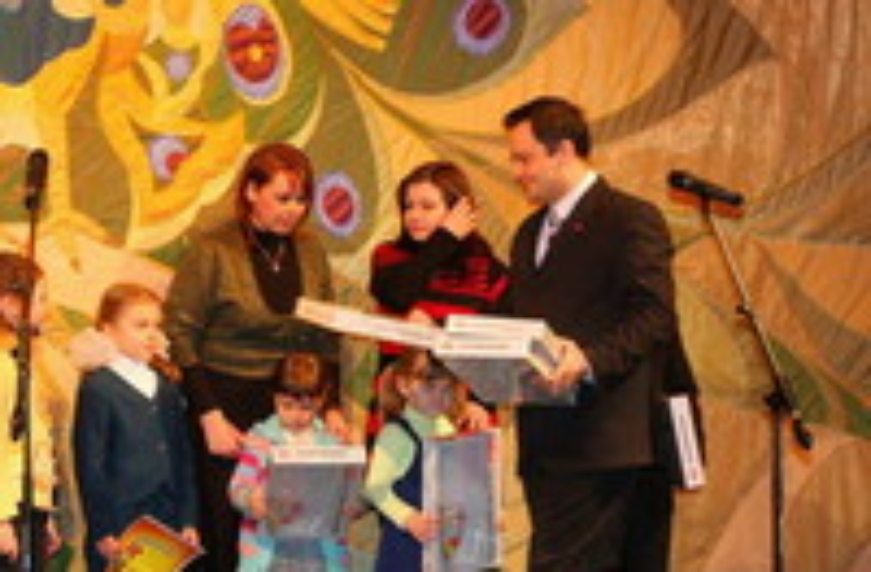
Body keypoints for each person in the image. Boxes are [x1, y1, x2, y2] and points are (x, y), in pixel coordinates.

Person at [501, 96, 696, 571]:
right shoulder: (527, 234)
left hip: (610, 443)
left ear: (563, 150)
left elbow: (655, 316)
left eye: (524, 158)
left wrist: (587, 360)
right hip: (548, 443)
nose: (516, 171)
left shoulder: (629, 218)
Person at [164, 142, 344, 571]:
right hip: (225, 406)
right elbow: (180, 332)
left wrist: (332, 406)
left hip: (291, 407)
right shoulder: (212, 249)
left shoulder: (311, 250)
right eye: (283, 198)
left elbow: (326, 334)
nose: (294, 210)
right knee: (228, 534)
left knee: (292, 533)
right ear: (250, 191)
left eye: (301, 200)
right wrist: (209, 415)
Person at [368, 160, 509, 440]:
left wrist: (481, 403)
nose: (414, 215)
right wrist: (444, 240)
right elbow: (396, 296)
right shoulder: (389, 258)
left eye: (427, 206)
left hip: (465, 413)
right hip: (398, 411)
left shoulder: (489, 271)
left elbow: (498, 349)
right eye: (408, 206)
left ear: (460, 211)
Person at [72, 282, 199, 571]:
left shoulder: (166, 387)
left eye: (156, 325)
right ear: (107, 329)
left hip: (166, 517)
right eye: (141, 325)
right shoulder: (98, 388)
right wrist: (103, 527)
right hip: (121, 522)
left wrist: (188, 518)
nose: (152, 334)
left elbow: (183, 458)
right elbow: (90, 465)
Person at [229, 352, 358, 571]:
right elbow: (237, 488)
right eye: (287, 406)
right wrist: (251, 499)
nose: (296, 415)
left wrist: (354, 462)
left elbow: (350, 498)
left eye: (306, 408)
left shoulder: (331, 443)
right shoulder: (260, 439)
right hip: (270, 549)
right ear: (274, 399)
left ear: (321, 401)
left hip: (318, 550)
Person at [364, 348, 465, 571]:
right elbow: (374, 488)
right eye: (430, 388)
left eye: (446, 389)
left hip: (441, 544)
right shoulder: (395, 435)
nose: (439, 397)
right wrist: (408, 518)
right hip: (406, 546)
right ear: (404, 386)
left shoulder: (447, 428)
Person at [0, 252, 59, 571]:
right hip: (8, 507)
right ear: (10, 305)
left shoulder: (20, 362)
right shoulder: (3, 368)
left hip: (27, 503)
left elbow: (33, 441)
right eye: (41, 299)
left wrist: (43, 510)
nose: (47, 310)